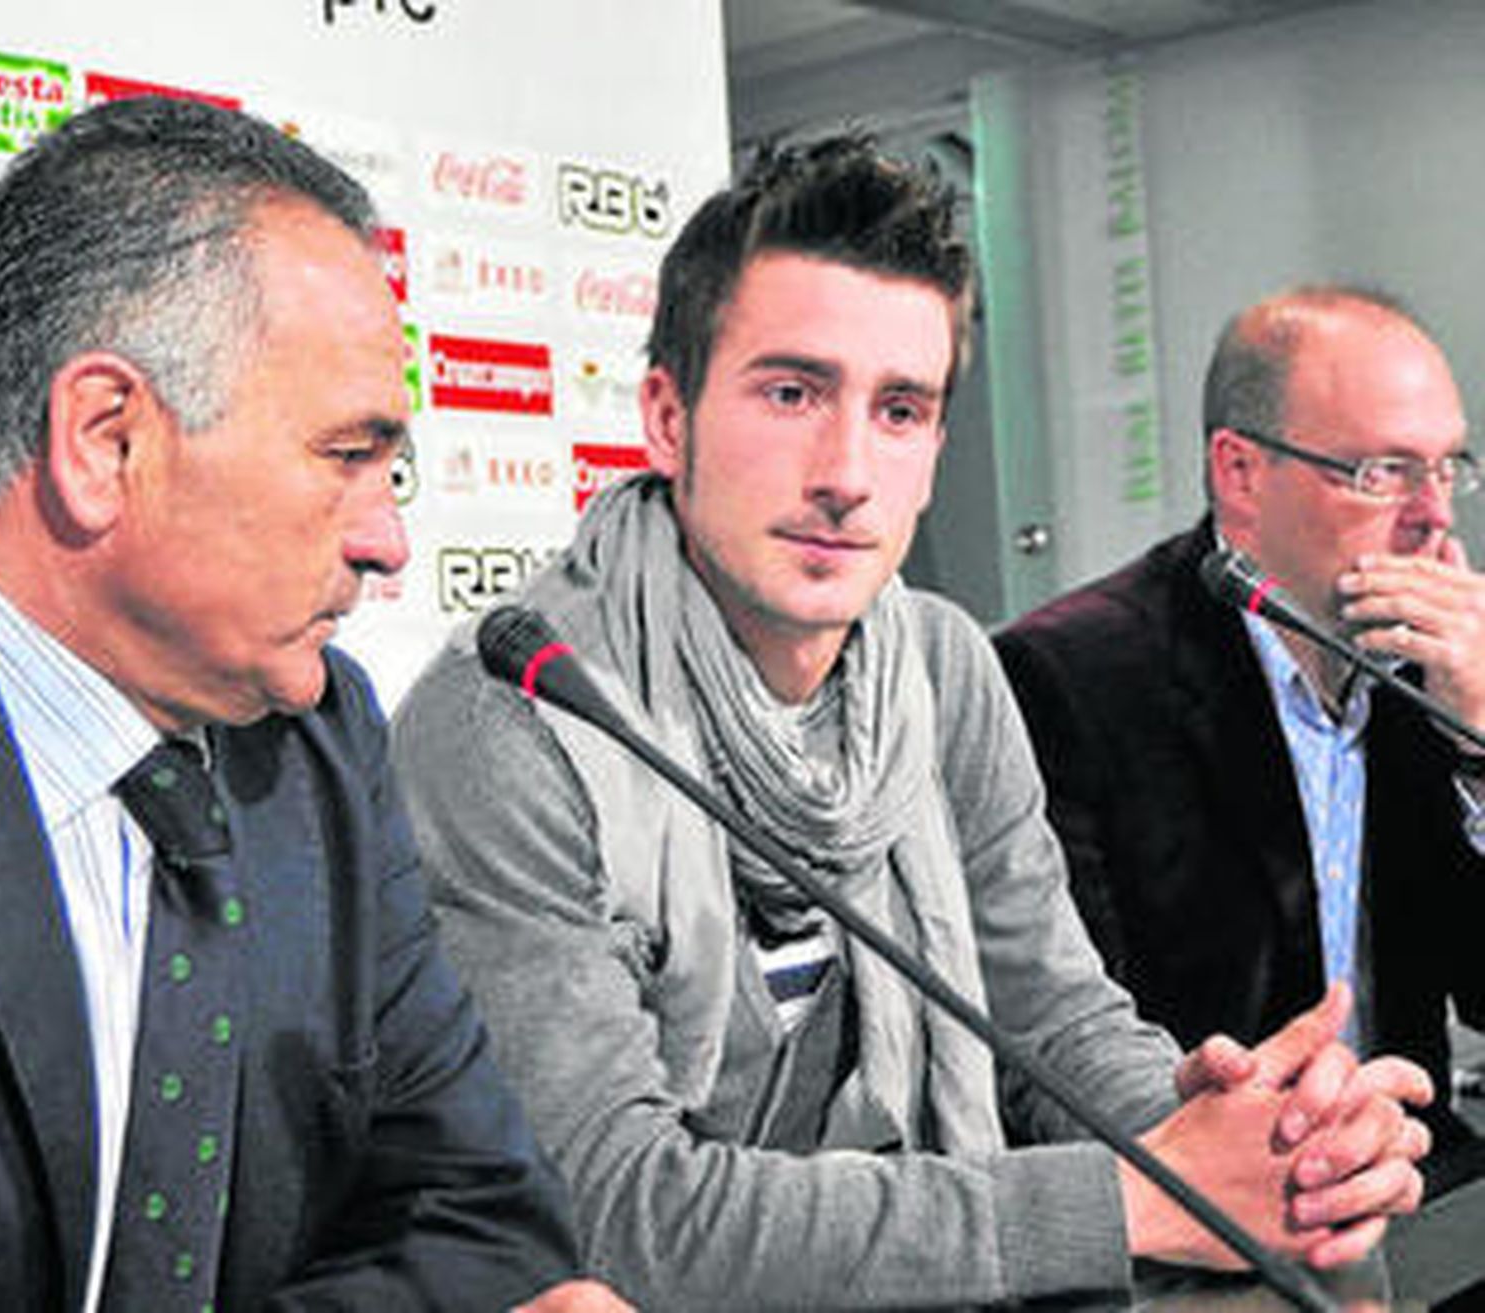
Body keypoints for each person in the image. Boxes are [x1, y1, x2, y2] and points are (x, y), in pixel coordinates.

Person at [392, 141, 1432, 1310]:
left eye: (899, 410)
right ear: (666, 416)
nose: (845, 472)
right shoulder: (516, 711)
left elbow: (1051, 1017)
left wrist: (1242, 1141)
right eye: (791, 393)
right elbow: (613, 1207)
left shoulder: (942, 667)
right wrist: (1136, 1198)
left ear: (934, 451)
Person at [0, 95, 630, 1312]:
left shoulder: (318, 738)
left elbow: (486, 1214)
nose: (388, 541)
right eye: (348, 456)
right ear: (106, 441)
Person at [995, 285, 1485, 1193]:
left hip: (1421, 1179)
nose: (1434, 514)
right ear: (1241, 474)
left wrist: (1482, 746)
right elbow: (1066, 1051)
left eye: (1447, 467)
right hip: (1210, 1199)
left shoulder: (1433, 672)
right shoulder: (1068, 678)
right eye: (1384, 471)